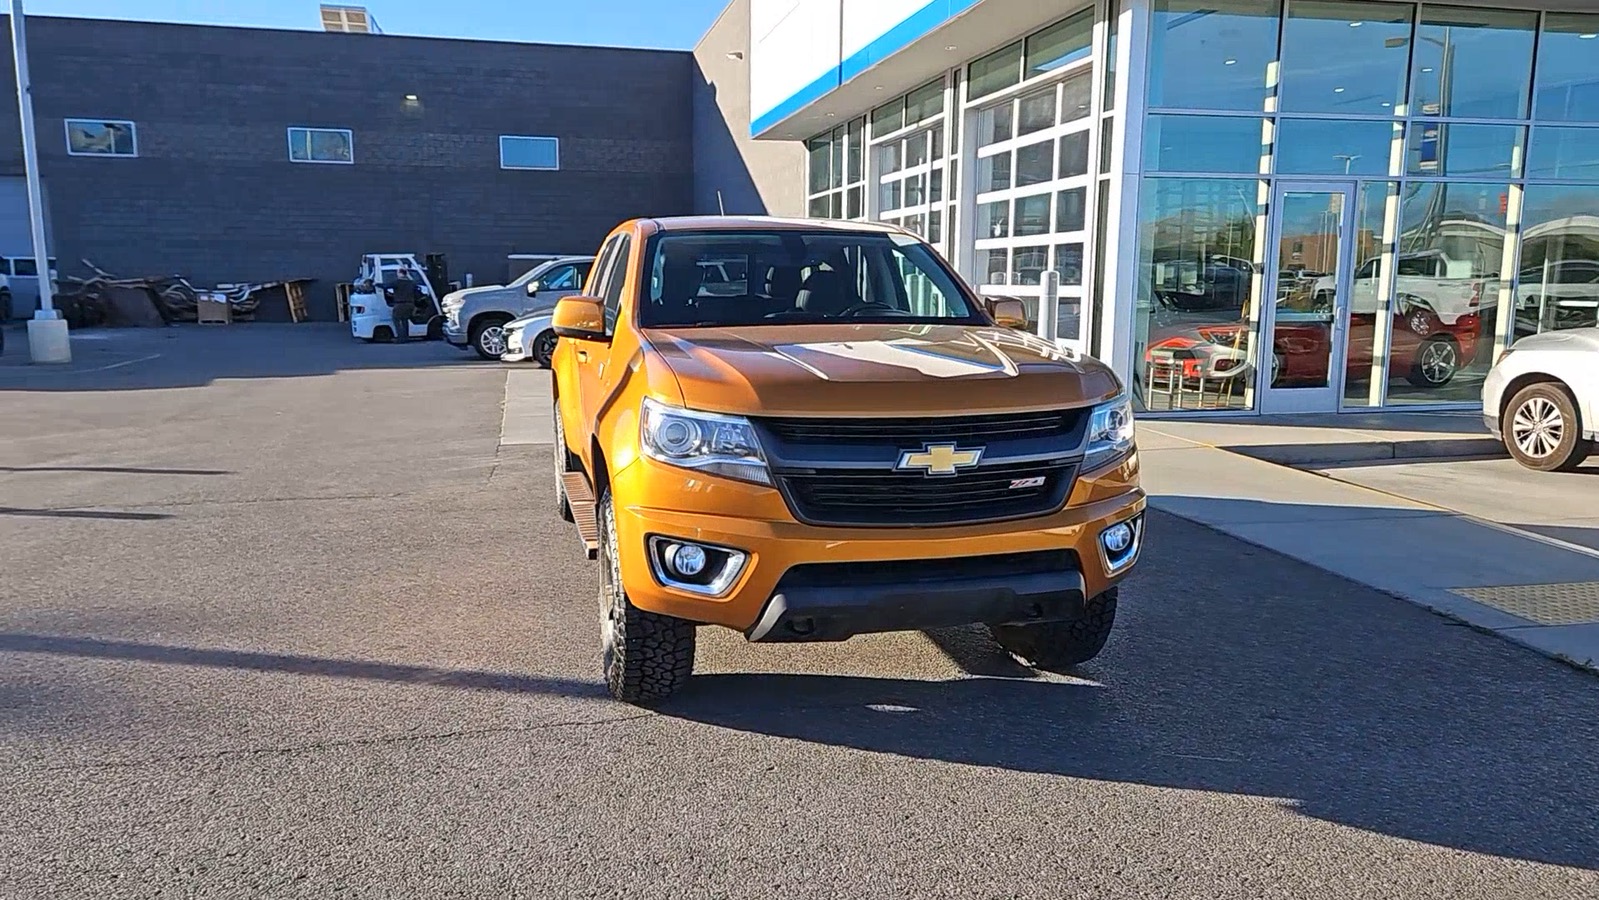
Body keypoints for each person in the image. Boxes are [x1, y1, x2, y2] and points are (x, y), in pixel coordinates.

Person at [388, 269, 420, 343]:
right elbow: (416, 293)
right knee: (405, 321)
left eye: (397, 273)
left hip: (400, 304)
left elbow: (385, 286)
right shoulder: (411, 282)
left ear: (400, 273)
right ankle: (406, 337)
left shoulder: (397, 282)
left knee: (396, 320)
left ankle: (400, 338)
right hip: (410, 304)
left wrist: (376, 284)